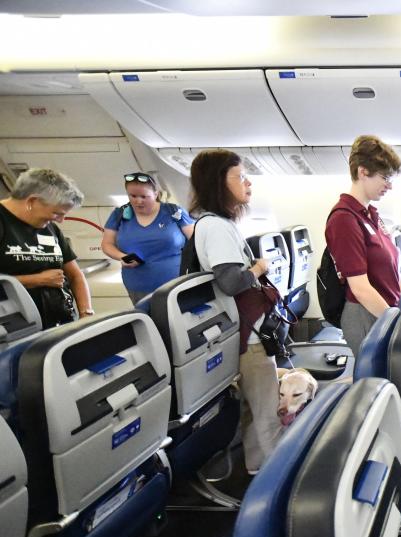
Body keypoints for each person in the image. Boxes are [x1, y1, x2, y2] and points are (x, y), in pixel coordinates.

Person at [188, 149, 277, 475]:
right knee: (268, 412)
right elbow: (230, 282)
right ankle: (279, 484)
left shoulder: (215, 225)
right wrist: (257, 268)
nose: (247, 182)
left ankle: (256, 468)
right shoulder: (217, 228)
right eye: (239, 177)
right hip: (248, 338)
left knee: (256, 412)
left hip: (246, 332)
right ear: (218, 183)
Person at [324, 134, 401, 355]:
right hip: (365, 316)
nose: (389, 185)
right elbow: (360, 288)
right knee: (377, 385)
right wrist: (397, 323)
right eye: (385, 177)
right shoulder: (344, 218)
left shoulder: (371, 215)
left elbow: (390, 273)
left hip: (383, 312)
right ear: (362, 172)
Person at [0, 168, 93, 328]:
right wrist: (36, 280)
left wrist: (86, 314)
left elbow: (75, 275)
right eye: (57, 213)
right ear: (32, 201)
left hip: (58, 321)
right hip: (14, 328)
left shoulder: (49, 227)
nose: (61, 220)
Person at [101, 172, 195, 304]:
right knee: (149, 322)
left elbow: (195, 241)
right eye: (132, 196)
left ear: (156, 194)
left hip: (176, 284)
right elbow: (107, 244)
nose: (138, 201)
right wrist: (122, 257)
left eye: (144, 196)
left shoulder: (174, 212)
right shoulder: (119, 214)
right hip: (138, 287)